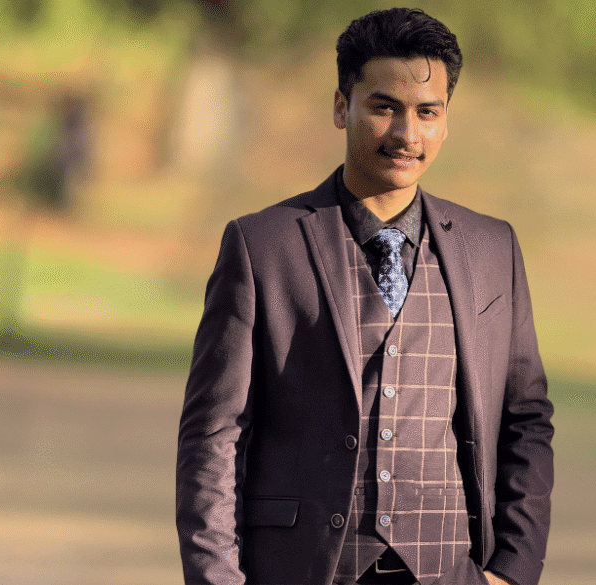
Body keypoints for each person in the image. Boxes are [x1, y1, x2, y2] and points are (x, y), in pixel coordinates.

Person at [176, 8, 553, 585]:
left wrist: (513, 571)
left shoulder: (491, 248)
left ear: (447, 118)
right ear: (340, 107)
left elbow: (524, 419)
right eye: (384, 108)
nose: (407, 134)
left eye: (428, 112)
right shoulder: (262, 246)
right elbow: (215, 432)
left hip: (450, 572)